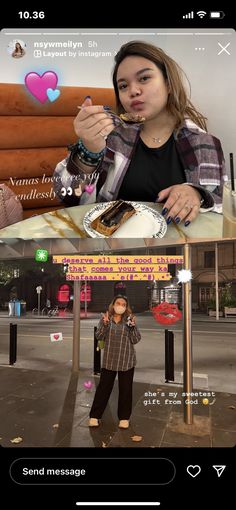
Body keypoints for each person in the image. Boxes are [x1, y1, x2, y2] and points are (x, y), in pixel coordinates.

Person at [54, 40, 227, 227]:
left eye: (144, 78)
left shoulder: (204, 143)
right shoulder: (110, 137)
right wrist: (89, 150)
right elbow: (69, 197)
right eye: (123, 86)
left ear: (168, 84)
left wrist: (198, 194)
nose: (133, 91)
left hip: (177, 251)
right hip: (115, 248)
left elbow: (222, 207)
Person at [89, 295, 141, 429]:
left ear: (126, 307)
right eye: (118, 303)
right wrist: (105, 325)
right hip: (109, 360)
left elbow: (136, 340)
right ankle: (95, 416)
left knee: (125, 390)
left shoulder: (129, 320)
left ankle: (124, 418)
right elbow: (99, 336)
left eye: (123, 304)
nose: (120, 306)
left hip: (126, 360)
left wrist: (132, 327)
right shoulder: (106, 319)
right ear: (113, 305)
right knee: (103, 389)